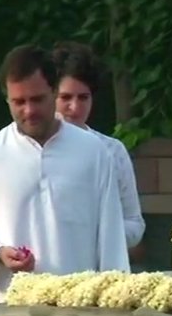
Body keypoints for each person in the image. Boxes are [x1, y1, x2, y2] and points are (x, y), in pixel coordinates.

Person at [0, 44, 130, 316]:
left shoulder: (95, 153)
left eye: (37, 99)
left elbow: (112, 239)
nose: (29, 111)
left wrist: (115, 313)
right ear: (6, 98)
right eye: (18, 102)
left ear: (54, 91)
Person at [51, 41, 145, 249]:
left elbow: (134, 224)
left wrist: (98, 233)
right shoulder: (28, 150)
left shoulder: (112, 151)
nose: (75, 107)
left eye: (83, 98)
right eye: (65, 97)